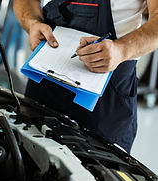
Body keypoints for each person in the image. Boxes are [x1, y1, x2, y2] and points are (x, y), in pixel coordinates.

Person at [14, 0, 158, 153]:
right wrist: (32, 23)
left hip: (105, 99)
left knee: (98, 173)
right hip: (43, 86)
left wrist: (121, 50)